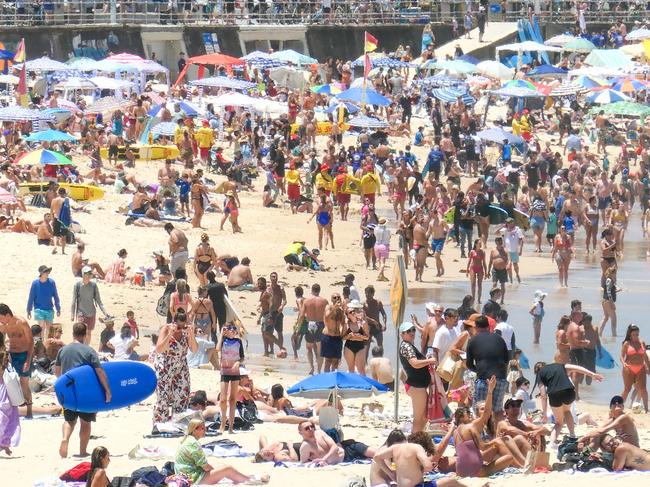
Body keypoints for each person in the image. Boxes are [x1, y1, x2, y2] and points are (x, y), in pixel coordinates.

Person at [54, 323, 111, 458]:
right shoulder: (89, 351)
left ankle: (65, 439)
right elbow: (99, 371)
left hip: (68, 391)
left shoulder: (63, 350)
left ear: (73, 334)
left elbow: (57, 373)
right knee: (85, 422)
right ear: (85, 335)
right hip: (86, 392)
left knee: (69, 420)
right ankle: (82, 451)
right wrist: (107, 390)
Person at [175, 419, 269, 484]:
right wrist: (217, 472)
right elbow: (205, 467)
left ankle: (243, 477)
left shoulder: (187, 440)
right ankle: (252, 479)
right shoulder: (193, 443)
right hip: (192, 479)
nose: (205, 430)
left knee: (220, 465)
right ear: (194, 430)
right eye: (202, 428)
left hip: (185, 475)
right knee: (227, 469)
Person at [454, 376, 514, 477]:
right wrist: (490, 391)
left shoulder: (456, 432)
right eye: (468, 414)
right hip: (476, 471)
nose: (470, 416)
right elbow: (483, 446)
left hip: (460, 471)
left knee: (497, 444)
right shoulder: (470, 427)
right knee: (508, 457)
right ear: (463, 417)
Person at [532, 361, 603, 443]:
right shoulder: (559, 365)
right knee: (567, 411)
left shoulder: (540, 374)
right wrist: (592, 374)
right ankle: (572, 435)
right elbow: (576, 368)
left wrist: (544, 413)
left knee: (559, 423)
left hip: (555, 395)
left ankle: (552, 443)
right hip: (569, 392)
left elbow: (543, 395)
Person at [153, 310, 198, 424]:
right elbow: (159, 349)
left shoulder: (186, 332)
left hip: (181, 365)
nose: (181, 328)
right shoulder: (166, 329)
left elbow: (194, 349)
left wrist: (191, 333)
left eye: (183, 326)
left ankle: (178, 423)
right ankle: (160, 423)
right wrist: (170, 334)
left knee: (182, 393)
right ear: (174, 322)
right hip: (166, 365)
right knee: (163, 396)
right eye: (179, 326)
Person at [466, 315, 509, 420]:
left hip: (484, 379)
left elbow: (469, 364)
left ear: (475, 327)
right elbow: (507, 360)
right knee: (497, 410)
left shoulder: (472, 341)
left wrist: (478, 370)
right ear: (488, 326)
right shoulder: (499, 339)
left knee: (480, 410)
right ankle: (497, 433)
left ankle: (481, 434)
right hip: (500, 379)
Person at [398, 322, 434, 433]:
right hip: (416, 386)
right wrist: (430, 361)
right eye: (408, 331)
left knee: (424, 417)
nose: (412, 333)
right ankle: (414, 441)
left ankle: (418, 439)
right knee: (418, 418)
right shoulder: (407, 346)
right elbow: (414, 363)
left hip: (418, 385)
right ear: (402, 334)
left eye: (413, 330)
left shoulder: (409, 346)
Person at [0, 304, 33, 418]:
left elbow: (31, 342)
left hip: (24, 355)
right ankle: (12, 412)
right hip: (11, 356)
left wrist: (28, 360)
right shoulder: (4, 326)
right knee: (10, 383)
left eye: (1, 317)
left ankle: (29, 411)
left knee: (24, 384)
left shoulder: (22, 322)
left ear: (7, 315)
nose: (0, 320)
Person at [297, 420, 374, 464]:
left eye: (312, 426)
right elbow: (304, 463)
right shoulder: (306, 446)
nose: (311, 429)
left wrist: (324, 459)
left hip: (348, 447)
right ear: (300, 432)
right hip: (345, 459)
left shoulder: (320, 433)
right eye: (307, 428)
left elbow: (334, 447)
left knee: (375, 453)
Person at [216, 324, 244, 434]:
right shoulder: (223, 340)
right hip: (224, 371)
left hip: (235, 372)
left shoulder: (238, 342)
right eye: (229, 329)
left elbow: (242, 357)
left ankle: (231, 427)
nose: (232, 331)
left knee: (233, 399)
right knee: (223, 400)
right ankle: (222, 425)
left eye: (234, 329)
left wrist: (238, 363)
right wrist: (221, 335)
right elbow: (217, 349)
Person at [71, 266, 109, 346]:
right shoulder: (77, 285)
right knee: (80, 331)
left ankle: (86, 347)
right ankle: (77, 347)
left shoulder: (93, 285)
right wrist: (72, 314)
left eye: (90, 273)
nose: (89, 275)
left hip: (91, 312)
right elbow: (74, 300)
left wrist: (105, 313)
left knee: (88, 332)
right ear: (83, 274)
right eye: (87, 273)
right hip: (81, 312)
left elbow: (99, 301)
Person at [297, 284, 328, 375]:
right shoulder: (324, 301)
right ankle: (319, 370)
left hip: (310, 324)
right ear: (319, 290)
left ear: (312, 290)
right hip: (321, 324)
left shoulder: (307, 301)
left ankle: (311, 367)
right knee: (319, 350)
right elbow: (328, 314)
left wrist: (298, 328)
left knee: (309, 348)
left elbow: (302, 315)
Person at [26, 265, 61, 339]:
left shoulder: (52, 282)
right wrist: (29, 309)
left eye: (48, 271)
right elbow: (31, 297)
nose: (47, 273)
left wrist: (58, 308)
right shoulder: (35, 283)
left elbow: (55, 296)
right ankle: (41, 344)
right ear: (41, 273)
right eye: (46, 272)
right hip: (39, 309)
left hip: (49, 309)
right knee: (41, 327)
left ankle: (47, 345)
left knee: (50, 329)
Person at [620, 324, 649, 413]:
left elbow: (645, 356)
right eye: (634, 335)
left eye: (637, 334)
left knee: (643, 389)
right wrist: (623, 363)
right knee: (627, 389)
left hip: (641, 368)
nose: (636, 336)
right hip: (629, 368)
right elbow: (621, 355)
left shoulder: (642, 342)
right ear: (630, 335)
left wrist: (648, 367)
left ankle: (646, 409)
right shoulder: (627, 343)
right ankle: (619, 406)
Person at [0, 340, 20, 455]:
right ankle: (5, 444)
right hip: (4, 386)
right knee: (9, 415)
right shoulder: (6, 354)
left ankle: (4, 444)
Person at [343, 300, 369, 375]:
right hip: (349, 346)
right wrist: (350, 336)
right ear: (348, 314)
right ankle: (352, 385)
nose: (353, 312)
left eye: (354, 311)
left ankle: (364, 384)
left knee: (361, 369)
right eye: (351, 312)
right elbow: (343, 337)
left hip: (360, 345)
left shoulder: (362, 322)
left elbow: (367, 337)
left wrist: (359, 336)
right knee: (351, 369)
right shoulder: (346, 323)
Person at [321, 292, 345, 372]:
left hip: (337, 337)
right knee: (328, 361)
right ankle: (326, 380)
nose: (337, 299)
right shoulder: (329, 307)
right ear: (331, 299)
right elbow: (327, 317)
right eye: (335, 297)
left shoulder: (340, 310)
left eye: (338, 297)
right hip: (328, 336)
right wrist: (335, 307)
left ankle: (333, 379)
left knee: (336, 361)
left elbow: (343, 323)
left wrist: (343, 333)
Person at [487, 237, 508, 303]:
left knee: (502, 285)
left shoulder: (505, 250)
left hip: (503, 270)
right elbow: (490, 261)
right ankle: (493, 298)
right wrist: (488, 271)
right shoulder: (493, 250)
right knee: (494, 284)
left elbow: (508, 259)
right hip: (495, 269)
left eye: (500, 240)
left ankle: (502, 300)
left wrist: (508, 265)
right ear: (495, 242)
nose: (499, 242)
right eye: (498, 241)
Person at [466, 239, 487, 304]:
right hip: (473, 268)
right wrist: (467, 270)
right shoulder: (472, 251)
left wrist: (486, 272)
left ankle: (479, 299)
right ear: (476, 244)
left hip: (480, 268)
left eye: (481, 243)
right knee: (473, 284)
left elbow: (484, 262)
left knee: (479, 284)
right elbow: (469, 261)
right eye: (479, 243)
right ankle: (473, 298)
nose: (480, 244)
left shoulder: (482, 252)